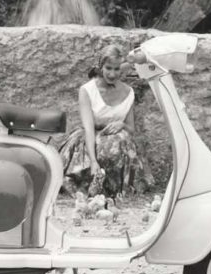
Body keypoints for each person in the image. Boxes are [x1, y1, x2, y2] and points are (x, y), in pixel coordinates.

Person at [59, 44, 154, 197]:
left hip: (116, 142)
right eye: (108, 68)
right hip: (90, 139)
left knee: (121, 138)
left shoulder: (129, 92)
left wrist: (122, 124)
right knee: (104, 144)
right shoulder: (87, 90)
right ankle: (90, 181)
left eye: (117, 69)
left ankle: (115, 187)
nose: (112, 74)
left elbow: (131, 128)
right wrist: (94, 161)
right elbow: (88, 129)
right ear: (100, 67)